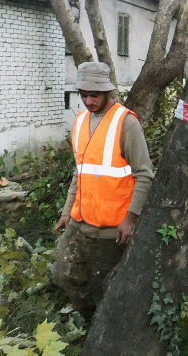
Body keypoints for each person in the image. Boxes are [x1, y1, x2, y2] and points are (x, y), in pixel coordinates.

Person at [52, 62, 154, 316]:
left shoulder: (126, 123)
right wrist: (67, 211)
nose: (88, 101)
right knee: (63, 273)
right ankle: (86, 318)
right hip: (79, 221)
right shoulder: (80, 121)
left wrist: (131, 220)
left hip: (110, 230)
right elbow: (81, 172)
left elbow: (144, 175)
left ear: (108, 92)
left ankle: (97, 332)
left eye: (94, 95)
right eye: (83, 95)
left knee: (104, 288)